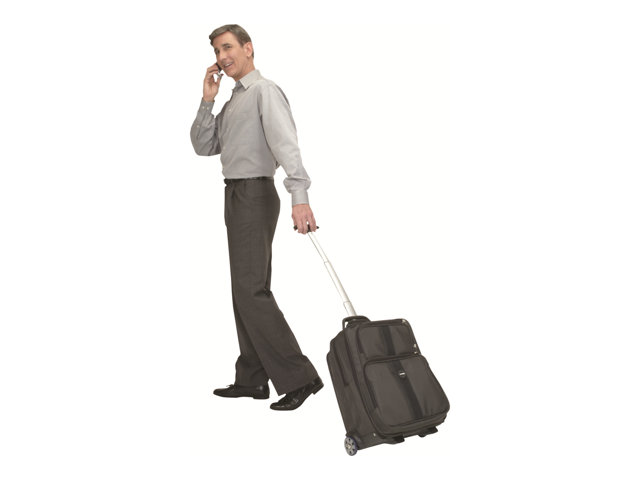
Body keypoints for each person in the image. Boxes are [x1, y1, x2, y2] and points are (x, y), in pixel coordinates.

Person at [190, 24, 322, 411]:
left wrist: (300, 197)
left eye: (227, 47)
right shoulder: (234, 100)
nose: (222, 57)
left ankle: (301, 378)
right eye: (217, 51)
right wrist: (207, 101)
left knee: (252, 291)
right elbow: (203, 146)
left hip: (255, 194)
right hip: (235, 194)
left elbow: (286, 145)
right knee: (244, 290)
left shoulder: (264, 91)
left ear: (248, 48)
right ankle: (253, 378)